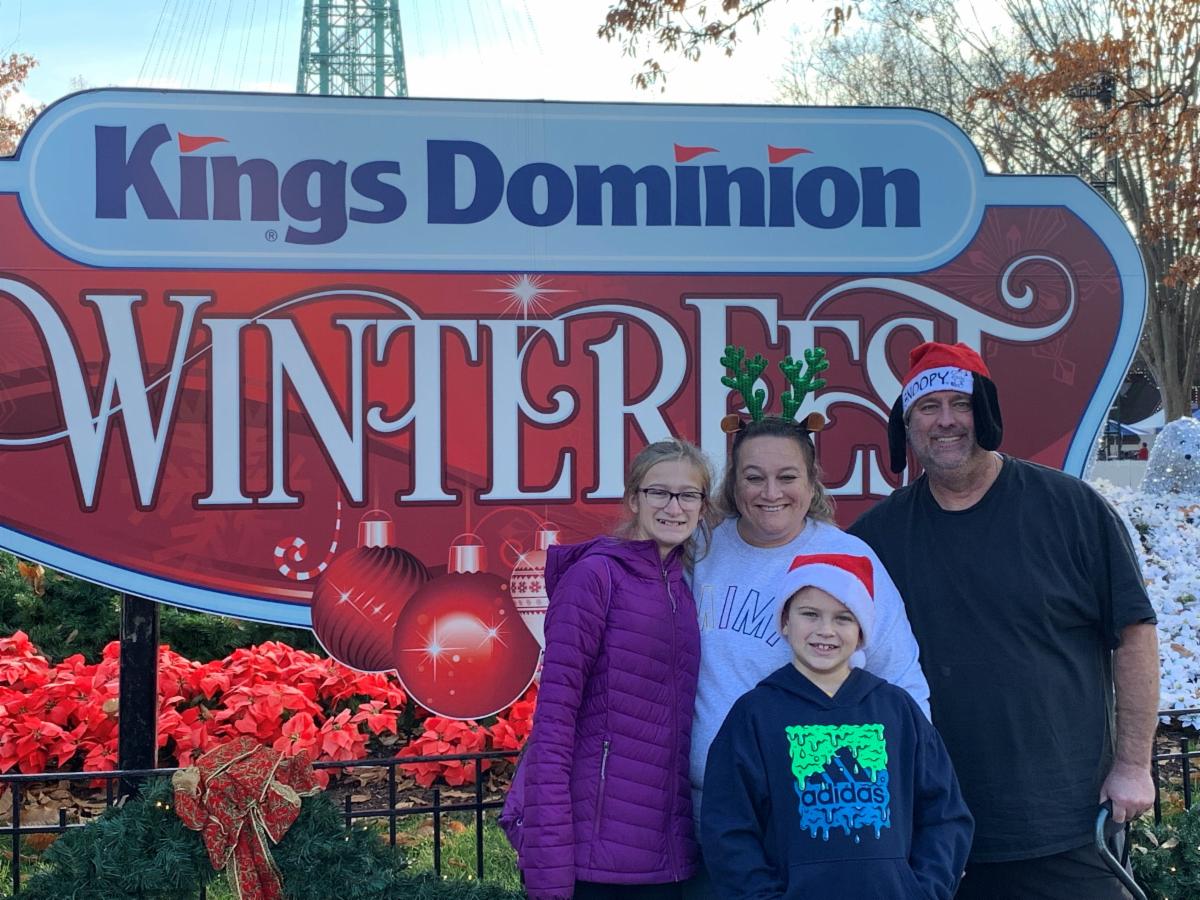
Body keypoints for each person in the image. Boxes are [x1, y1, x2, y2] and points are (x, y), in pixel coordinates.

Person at [849, 341, 1159, 899]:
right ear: (906, 425)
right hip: (937, 826)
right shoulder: (876, 538)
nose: (946, 420)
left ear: (986, 413)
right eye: (927, 407)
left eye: (961, 404)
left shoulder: (1073, 509)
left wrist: (1134, 765)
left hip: (1069, 821)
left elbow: (1134, 636)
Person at [686, 412, 931, 897]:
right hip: (714, 814)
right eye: (753, 477)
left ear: (812, 480)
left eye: (787, 477)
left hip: (822, 818)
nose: (770, 492)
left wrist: (913, 814)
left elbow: (902, 683)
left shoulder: (846, 556)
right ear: (733, 482)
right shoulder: (702, 549)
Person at [501, 438, 715, 900]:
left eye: (688, 495)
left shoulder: (682, 587)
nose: (674, 507)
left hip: (666, 857)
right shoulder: (595, 577)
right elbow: (554, 724)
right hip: (595, 859)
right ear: (634, 499)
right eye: (659, 492)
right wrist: (549, 864)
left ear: (702, 506)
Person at [701, 553, 973, 900]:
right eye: (810, 614)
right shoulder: (754, 714)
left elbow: (945, 814)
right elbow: (728, 826)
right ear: (785, 621)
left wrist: (923, 892)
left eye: (843, 618)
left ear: (861, 633)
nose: (825, 630)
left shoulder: (897, 710)